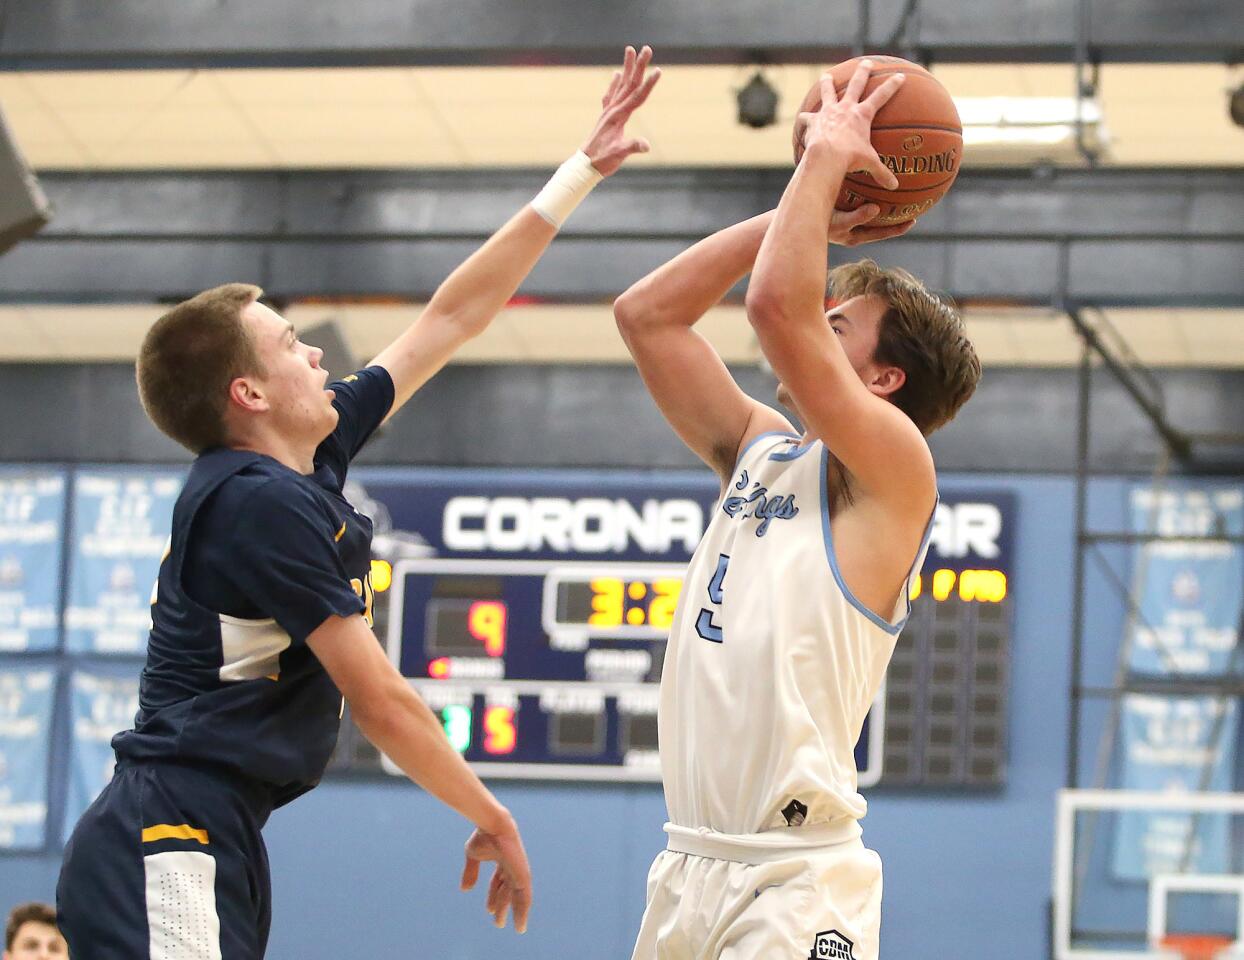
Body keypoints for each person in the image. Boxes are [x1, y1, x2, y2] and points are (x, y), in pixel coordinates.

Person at [56, 46, 661, 959]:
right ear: (247, 396)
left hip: (218, 828)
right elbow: (379, 699)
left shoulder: (308, 454)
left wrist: (581, 170)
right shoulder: (257, 504)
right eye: (291, 345)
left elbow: (451, 318)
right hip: (168, 825)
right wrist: (491, 812)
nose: (316, 357)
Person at [617, 60, 980, 960]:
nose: (820, 312)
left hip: (794, 879)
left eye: (843, 322)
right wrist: (815, 210)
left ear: (883, 379)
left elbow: (778, 308)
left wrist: (822, 166)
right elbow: (647, 316)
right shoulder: (763, 450)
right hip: (687, 866)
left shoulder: (899, 469)